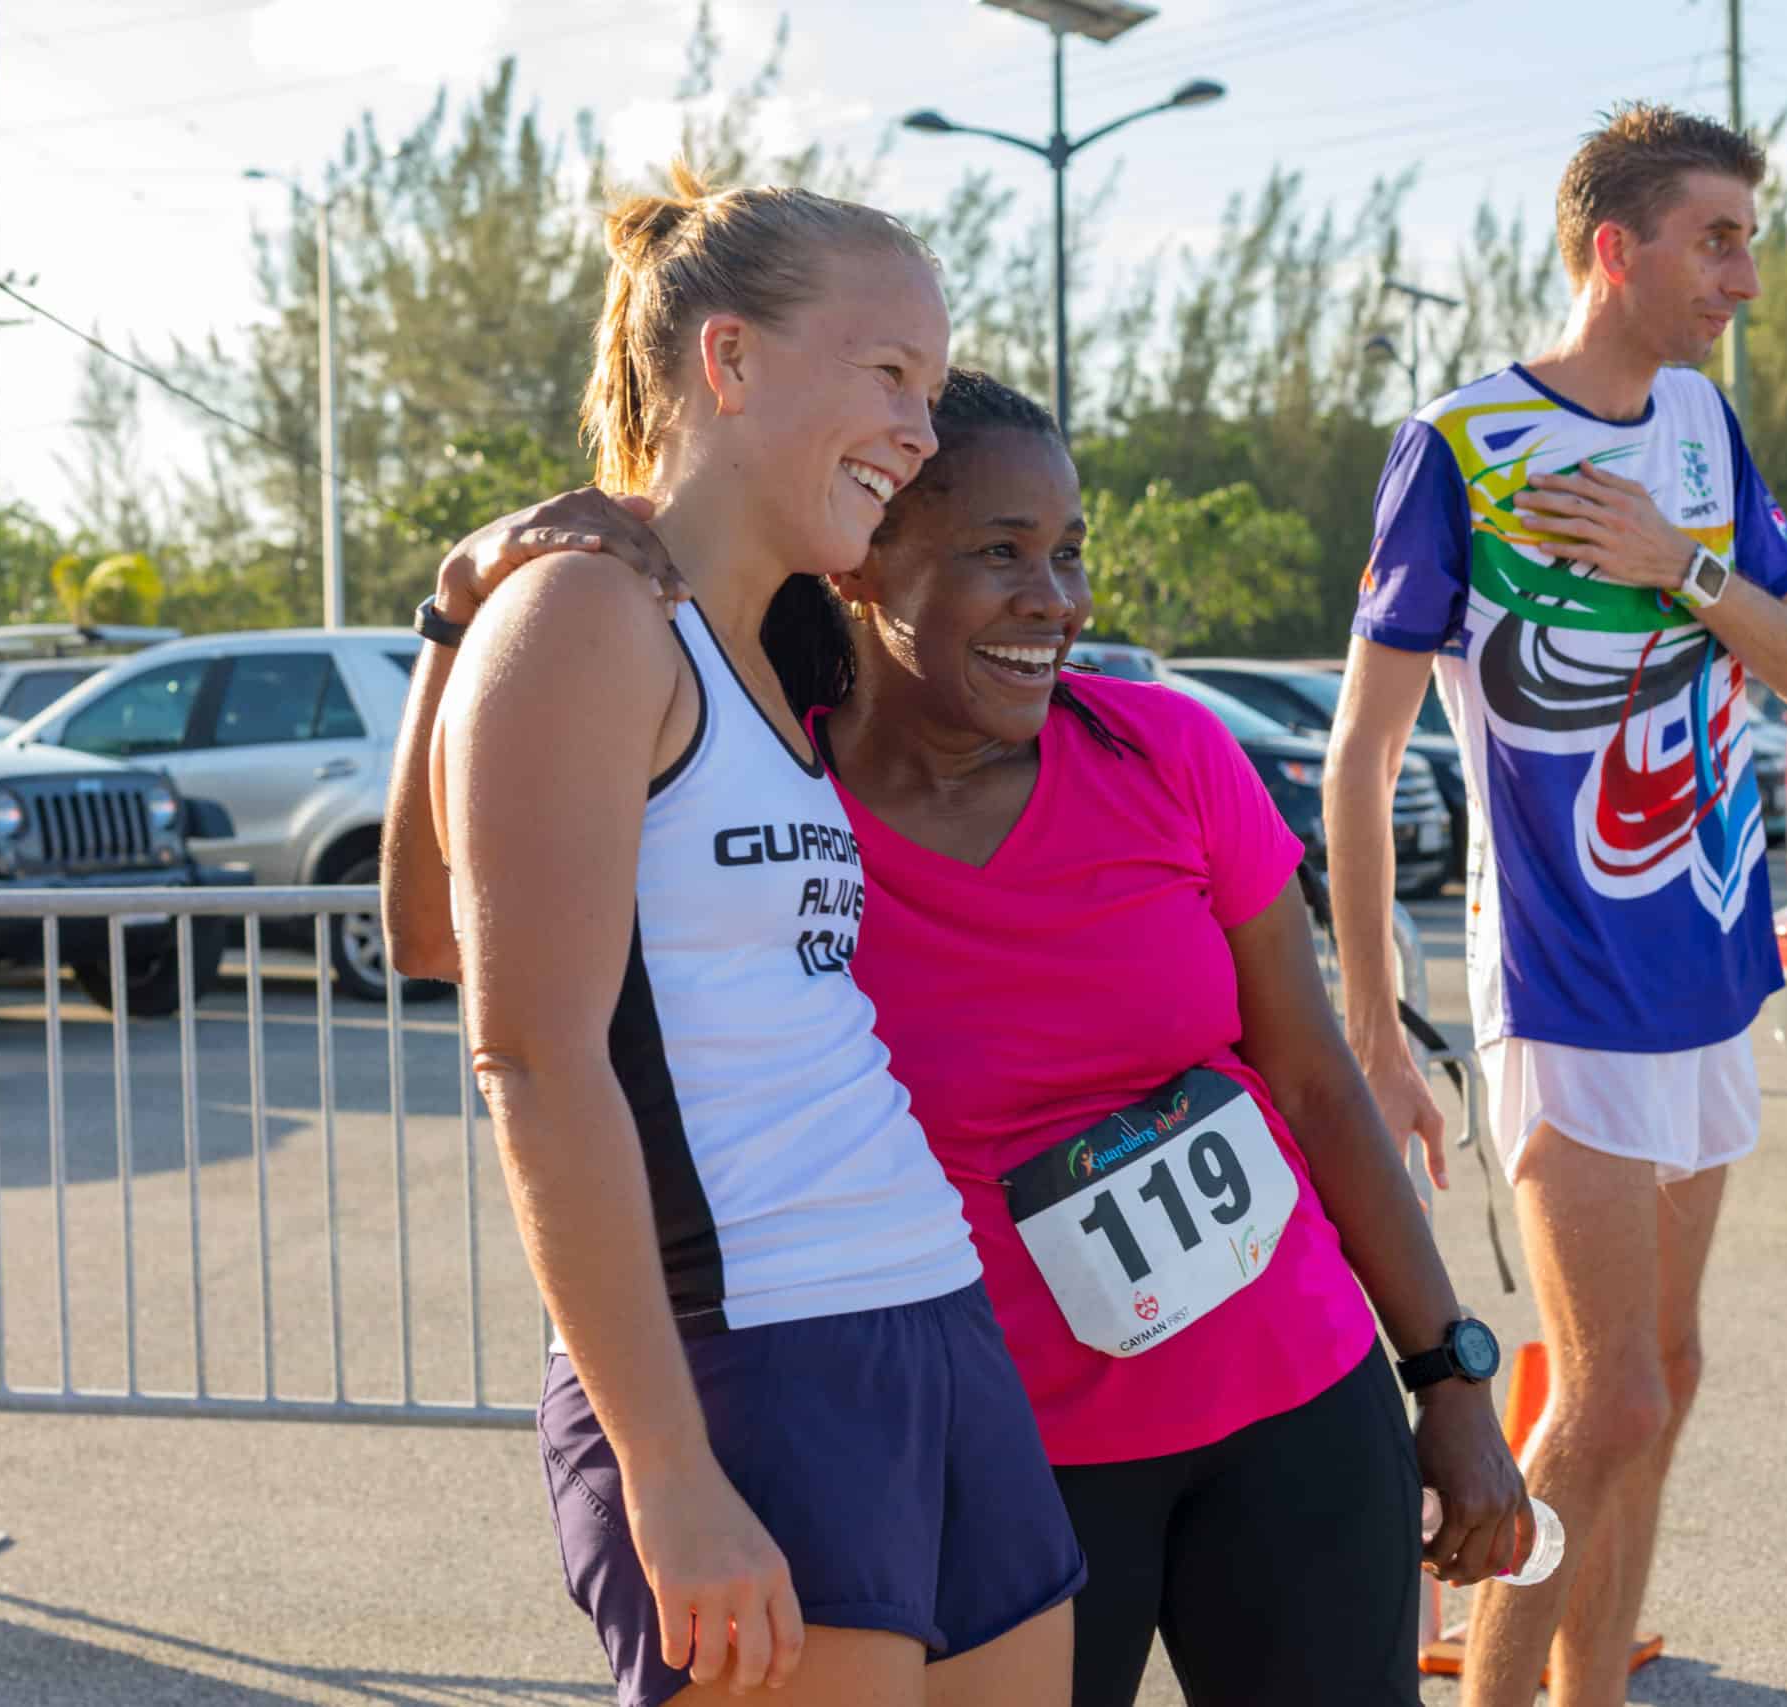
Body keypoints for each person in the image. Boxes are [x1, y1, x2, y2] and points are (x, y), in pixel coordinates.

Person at [390, 368, 1532, 1707]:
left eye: (1069, 553)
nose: (1056, 599)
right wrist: (457, 619)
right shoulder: (771, 804)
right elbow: (436, 937)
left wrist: (1449, 1370)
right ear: (860, 563)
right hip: (1007, 1455)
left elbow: (1313, 1080)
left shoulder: (1168, 752)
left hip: (1293, 1397)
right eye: (1000, 552)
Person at [407, 170, 1085, 1707]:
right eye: (890, 372)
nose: (920, 429)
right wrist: (666, 1471)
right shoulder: (588, 614)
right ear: (729, 359)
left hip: (923, 1303)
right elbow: (522, 1045)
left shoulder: (772, 643)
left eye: (931, 384)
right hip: (744, 1349)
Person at [1322, 104, 1787, 1707]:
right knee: (1607, 1396)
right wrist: (1375, 1026)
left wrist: (1675, 561)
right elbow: (1361, 757)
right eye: (1717, 240)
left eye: (1750, 241)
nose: (1744, 277)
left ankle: (1589, 1694)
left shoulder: (1701, 427)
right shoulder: (1462, 444)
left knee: (1664, 1378)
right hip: (1561, 981)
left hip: (1707, 965)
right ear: (1614, 250)